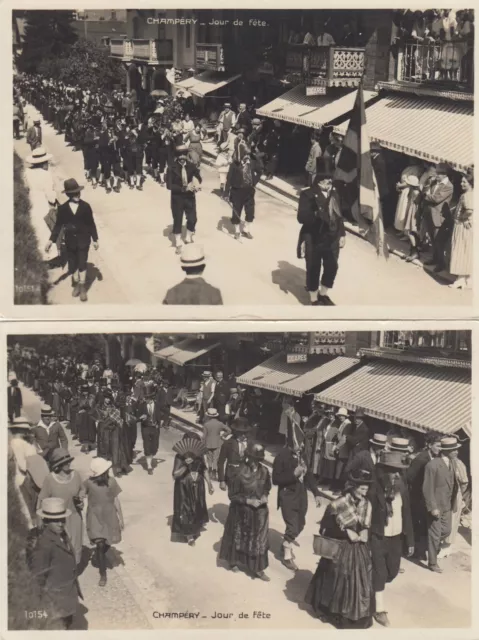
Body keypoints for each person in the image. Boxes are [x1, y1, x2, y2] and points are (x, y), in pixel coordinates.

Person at [305, 468, 373, 629]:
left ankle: (356, 615)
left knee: (362, 579)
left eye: (366, 489)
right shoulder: (338, 504)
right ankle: (332, 611)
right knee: (337, 576)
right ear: (352, 487)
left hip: (358, 550)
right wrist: (345, 532)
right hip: (339, 548)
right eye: (362, 489)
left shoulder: (366, 504)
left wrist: (364, 530)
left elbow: (366, 524)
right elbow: (324, 529)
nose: (365, 492)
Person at [368, 451, 415, 627]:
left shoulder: (401, 488)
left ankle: (374, 586)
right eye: (394, 471)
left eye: (399, 472)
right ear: (384, 471)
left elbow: (407, 514)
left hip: (396, 538)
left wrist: (410, 540)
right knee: (380, 572)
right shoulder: (373, 489)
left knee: (392, 571)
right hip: (378, 537)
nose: (397, 475)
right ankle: (379, 609)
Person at [272, 421, 321, 571]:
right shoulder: (281, 457)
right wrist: (293, 475)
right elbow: (276, 479)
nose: (302, 447)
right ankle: (286, 554)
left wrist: (316, 493)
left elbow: (309, 476)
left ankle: (286, 543)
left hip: (301, 495)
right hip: (287, 495)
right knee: (292, 526)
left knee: (300, 524)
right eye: (299, 443)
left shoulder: (302, 455)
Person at [219, 442, 271, 580]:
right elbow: (232, 495)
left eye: (259, 459)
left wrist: (265, 496)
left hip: (259, 513)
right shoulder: (239, 472)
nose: (256, 462)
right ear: (248, 457)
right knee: (238, 536)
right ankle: (234, 561)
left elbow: (267, 488)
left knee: (258, 540)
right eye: (254, 459)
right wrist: (248, 501)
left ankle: (257, 568)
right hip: (241, 511)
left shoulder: (265, 471)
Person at [297, 165, 346, 306]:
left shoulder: (334, 195)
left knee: (332, 266)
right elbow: (301, 218)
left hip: (332, 238)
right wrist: (318, 211)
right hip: (313, 237)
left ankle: (323, 294)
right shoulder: (307, 195)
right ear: (319, 182)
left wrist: (342, 234)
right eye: (327, 181)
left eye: (331, 181)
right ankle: (313, 298)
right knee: (314, 267)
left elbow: (339, 216)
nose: (330, 183)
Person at [31, 497, 83, 629]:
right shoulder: (44, 544)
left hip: (67, 595)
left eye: (62, 519)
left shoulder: (62, 534)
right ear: (46, 521)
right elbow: (38, 576)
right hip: (55, 600)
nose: (60, 523)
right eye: (56, 521)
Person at [46, 178, 99, 303]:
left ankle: (82, 287)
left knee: (82, 263)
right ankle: (76, 284)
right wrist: (50, 241)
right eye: (74, 193)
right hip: (70, 241)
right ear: (69, 195)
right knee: (73, 264)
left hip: (83, 240)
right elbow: (58, 226)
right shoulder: (63, 209)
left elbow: (91, 224)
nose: (77, 195)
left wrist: (95, 239)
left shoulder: (85, 206)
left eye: (78, 192)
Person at [37, 448, 84, 565]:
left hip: (75, 517)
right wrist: (39, 520)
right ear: (58, 464)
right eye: (65, 462)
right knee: (61, 549)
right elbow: (41, 499)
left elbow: (82, 489)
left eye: (69, 461)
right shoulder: (50, 479)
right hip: (57, 520)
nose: (69, 463)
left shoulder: (76, 475)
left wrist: (81, 500)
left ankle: (73, 573)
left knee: (75, 548)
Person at [84, 457, 124, 587]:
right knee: (100, 545)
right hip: (94, 516)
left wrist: (121, 518)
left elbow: (116, 500)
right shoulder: (88, 483)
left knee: (107, 542)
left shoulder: (112, 482)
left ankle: (98, 555)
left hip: (109, 516)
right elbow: (80, 494)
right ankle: (103, 574)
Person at [423, 436, 459, 573]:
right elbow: (427, 488)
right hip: (436, 507)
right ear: (446, 450)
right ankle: (432, 563)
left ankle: (432, 546)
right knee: (434, 534)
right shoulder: (432, 465)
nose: (456, 452)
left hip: (447, 505)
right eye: (454, 449)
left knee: (447, 530)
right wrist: (432, 508)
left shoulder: (452, 463)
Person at [171, 434, 214, 545]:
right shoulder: (179, 457)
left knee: (197, 507)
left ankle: (194, 528)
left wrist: (209, 484)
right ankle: (188, 535)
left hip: (198, 486)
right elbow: (175, 474)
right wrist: (185, 465)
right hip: (183, 487)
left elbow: (204, 470)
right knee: (185, 508)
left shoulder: (199, 456)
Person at [406, 432, 442, 560]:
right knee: (419, 524)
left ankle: (423, 549)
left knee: (424, 524)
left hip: (427, 497)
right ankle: (417, 551)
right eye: (437, 446)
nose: (440, 448)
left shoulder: (436, 458)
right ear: (429, 445)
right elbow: (409, 477)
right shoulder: (421, 459)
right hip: (418, 497)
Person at [166, 145, 202, 253]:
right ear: (176, 156)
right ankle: (178, 243)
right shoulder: (171, 168)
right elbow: (169, 186)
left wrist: (196, 183)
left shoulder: (191, 166)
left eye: (183, 154)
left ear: (186, 155)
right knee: (178, 219)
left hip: (190, 197)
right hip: (177, 198)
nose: (182, 157)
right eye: (179, 155)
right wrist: (184, 188)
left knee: (192, 219)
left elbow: (198, 178)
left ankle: (188, 237)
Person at [422, 163, 454, 273]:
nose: (436, 175)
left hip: (439, 217)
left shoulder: (448, 186)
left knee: (439, 241)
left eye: (439, 173)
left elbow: (436, 198)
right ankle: (435, 259)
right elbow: (428, 191)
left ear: (445, 175)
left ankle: (441, 263)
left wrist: (425, 195)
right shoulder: (435, 182)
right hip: (430, 214)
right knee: (432, 238)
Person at [225, 152, 262, 240]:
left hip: (249, 191)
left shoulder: (252, 163)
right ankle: (237, 231)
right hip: (237, 191)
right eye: (244, 155)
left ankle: (246, 229)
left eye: (247, 155)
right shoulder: (234, 165)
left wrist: (254, 182)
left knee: (250, 212)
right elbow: (229, 179)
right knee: (236, 211)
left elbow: (260, 171)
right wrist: (226, 193)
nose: (246, 157)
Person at [442, 441, 468, 556]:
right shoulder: (442, 461)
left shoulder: (459, 464)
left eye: (457, 449)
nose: (457, 451)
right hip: (442, 494)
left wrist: (459, 495)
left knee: (452, 519)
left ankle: (447, 546)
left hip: (454, 494)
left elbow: (464, 482)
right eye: (454, 450)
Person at [449, 169, 473, 289]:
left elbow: (469, 210)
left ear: (470, 184)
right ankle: (468, 278)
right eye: (461, 182)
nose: (461, 184)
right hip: (469, 227)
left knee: (460, 250)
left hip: (462, 226)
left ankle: (460, 279)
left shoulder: (466, 195)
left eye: (464, 182)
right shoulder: (473, 194)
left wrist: (461, 218)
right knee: (467, 251)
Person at [218, 418, 251, 490]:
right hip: (232, 476)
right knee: (235, 498)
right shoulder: (227, 444)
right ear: (236, 432)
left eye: (245, 433)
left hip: (246, 476)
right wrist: (222, 480)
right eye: (241, 433)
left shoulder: (250, 444)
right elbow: (220, 462)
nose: (243, 435)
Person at [135, 387, 161, 475]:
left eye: (148, 398)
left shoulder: (157, 405)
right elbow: (137, 417)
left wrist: (161, 421)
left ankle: (151, 455)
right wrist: (141, 418)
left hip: (155, 428)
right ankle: (149, 466)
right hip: (145, 428)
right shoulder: (142, 405)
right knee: (147, 446)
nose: (146, 399)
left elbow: (162, 414)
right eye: (145, 398)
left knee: (154, 447)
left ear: (152, 398)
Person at [203, 407, 231, 480]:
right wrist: (223, 435)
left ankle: (209, 471)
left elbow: (204, 436)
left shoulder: (206, 424)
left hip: (208, 443)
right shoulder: (220, 424)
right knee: (216, 458)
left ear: (208, 416)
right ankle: (214, 472)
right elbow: (229, 430)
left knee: (209, 458)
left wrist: (202, 444)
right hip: (217, 442)